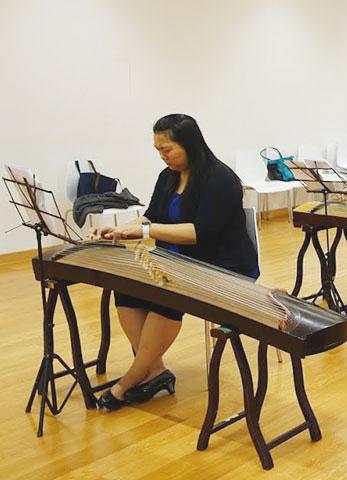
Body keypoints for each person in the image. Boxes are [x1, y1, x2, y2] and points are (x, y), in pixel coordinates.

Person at [88, 114, 259, 411]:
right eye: (157, 150)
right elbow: (151, 216)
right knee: (127, 289)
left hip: (221, 265)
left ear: (189, 144)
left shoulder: (220, 179)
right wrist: (120, 229)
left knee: (164, 297)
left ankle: (128, 382)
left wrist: (144, 231)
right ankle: (154, 372)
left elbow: (201, 233)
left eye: (167, 149)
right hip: (178, 259)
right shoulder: (167, 176)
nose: (162, 156)